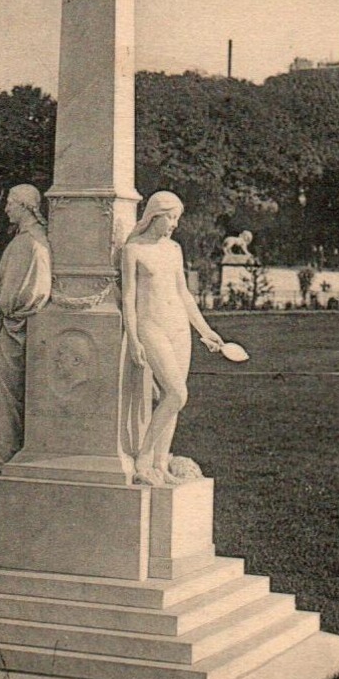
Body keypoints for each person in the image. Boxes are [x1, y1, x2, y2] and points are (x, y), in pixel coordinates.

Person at [121, 191, 224, 487]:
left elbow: (184, 294)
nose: (175, 224)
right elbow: (128, 298)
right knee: (178, 394)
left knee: (173, 400)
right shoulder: (134, 249)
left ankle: (159, 464)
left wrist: (205, 330)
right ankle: (143, 459)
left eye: (177, 218)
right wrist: (133, 337)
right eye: (171, 218)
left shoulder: (174, 249)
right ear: (155, 214)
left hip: (178, 326)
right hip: (150, 327)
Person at [0, 184, 52, 473]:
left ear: (25, 207)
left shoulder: (33, 243)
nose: (5, 209)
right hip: (7, 327)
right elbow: (7, 286)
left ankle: (0, 457)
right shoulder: (24, 241)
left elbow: (33, 291)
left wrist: (0, 303)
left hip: (12, 329)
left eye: (10, 204)